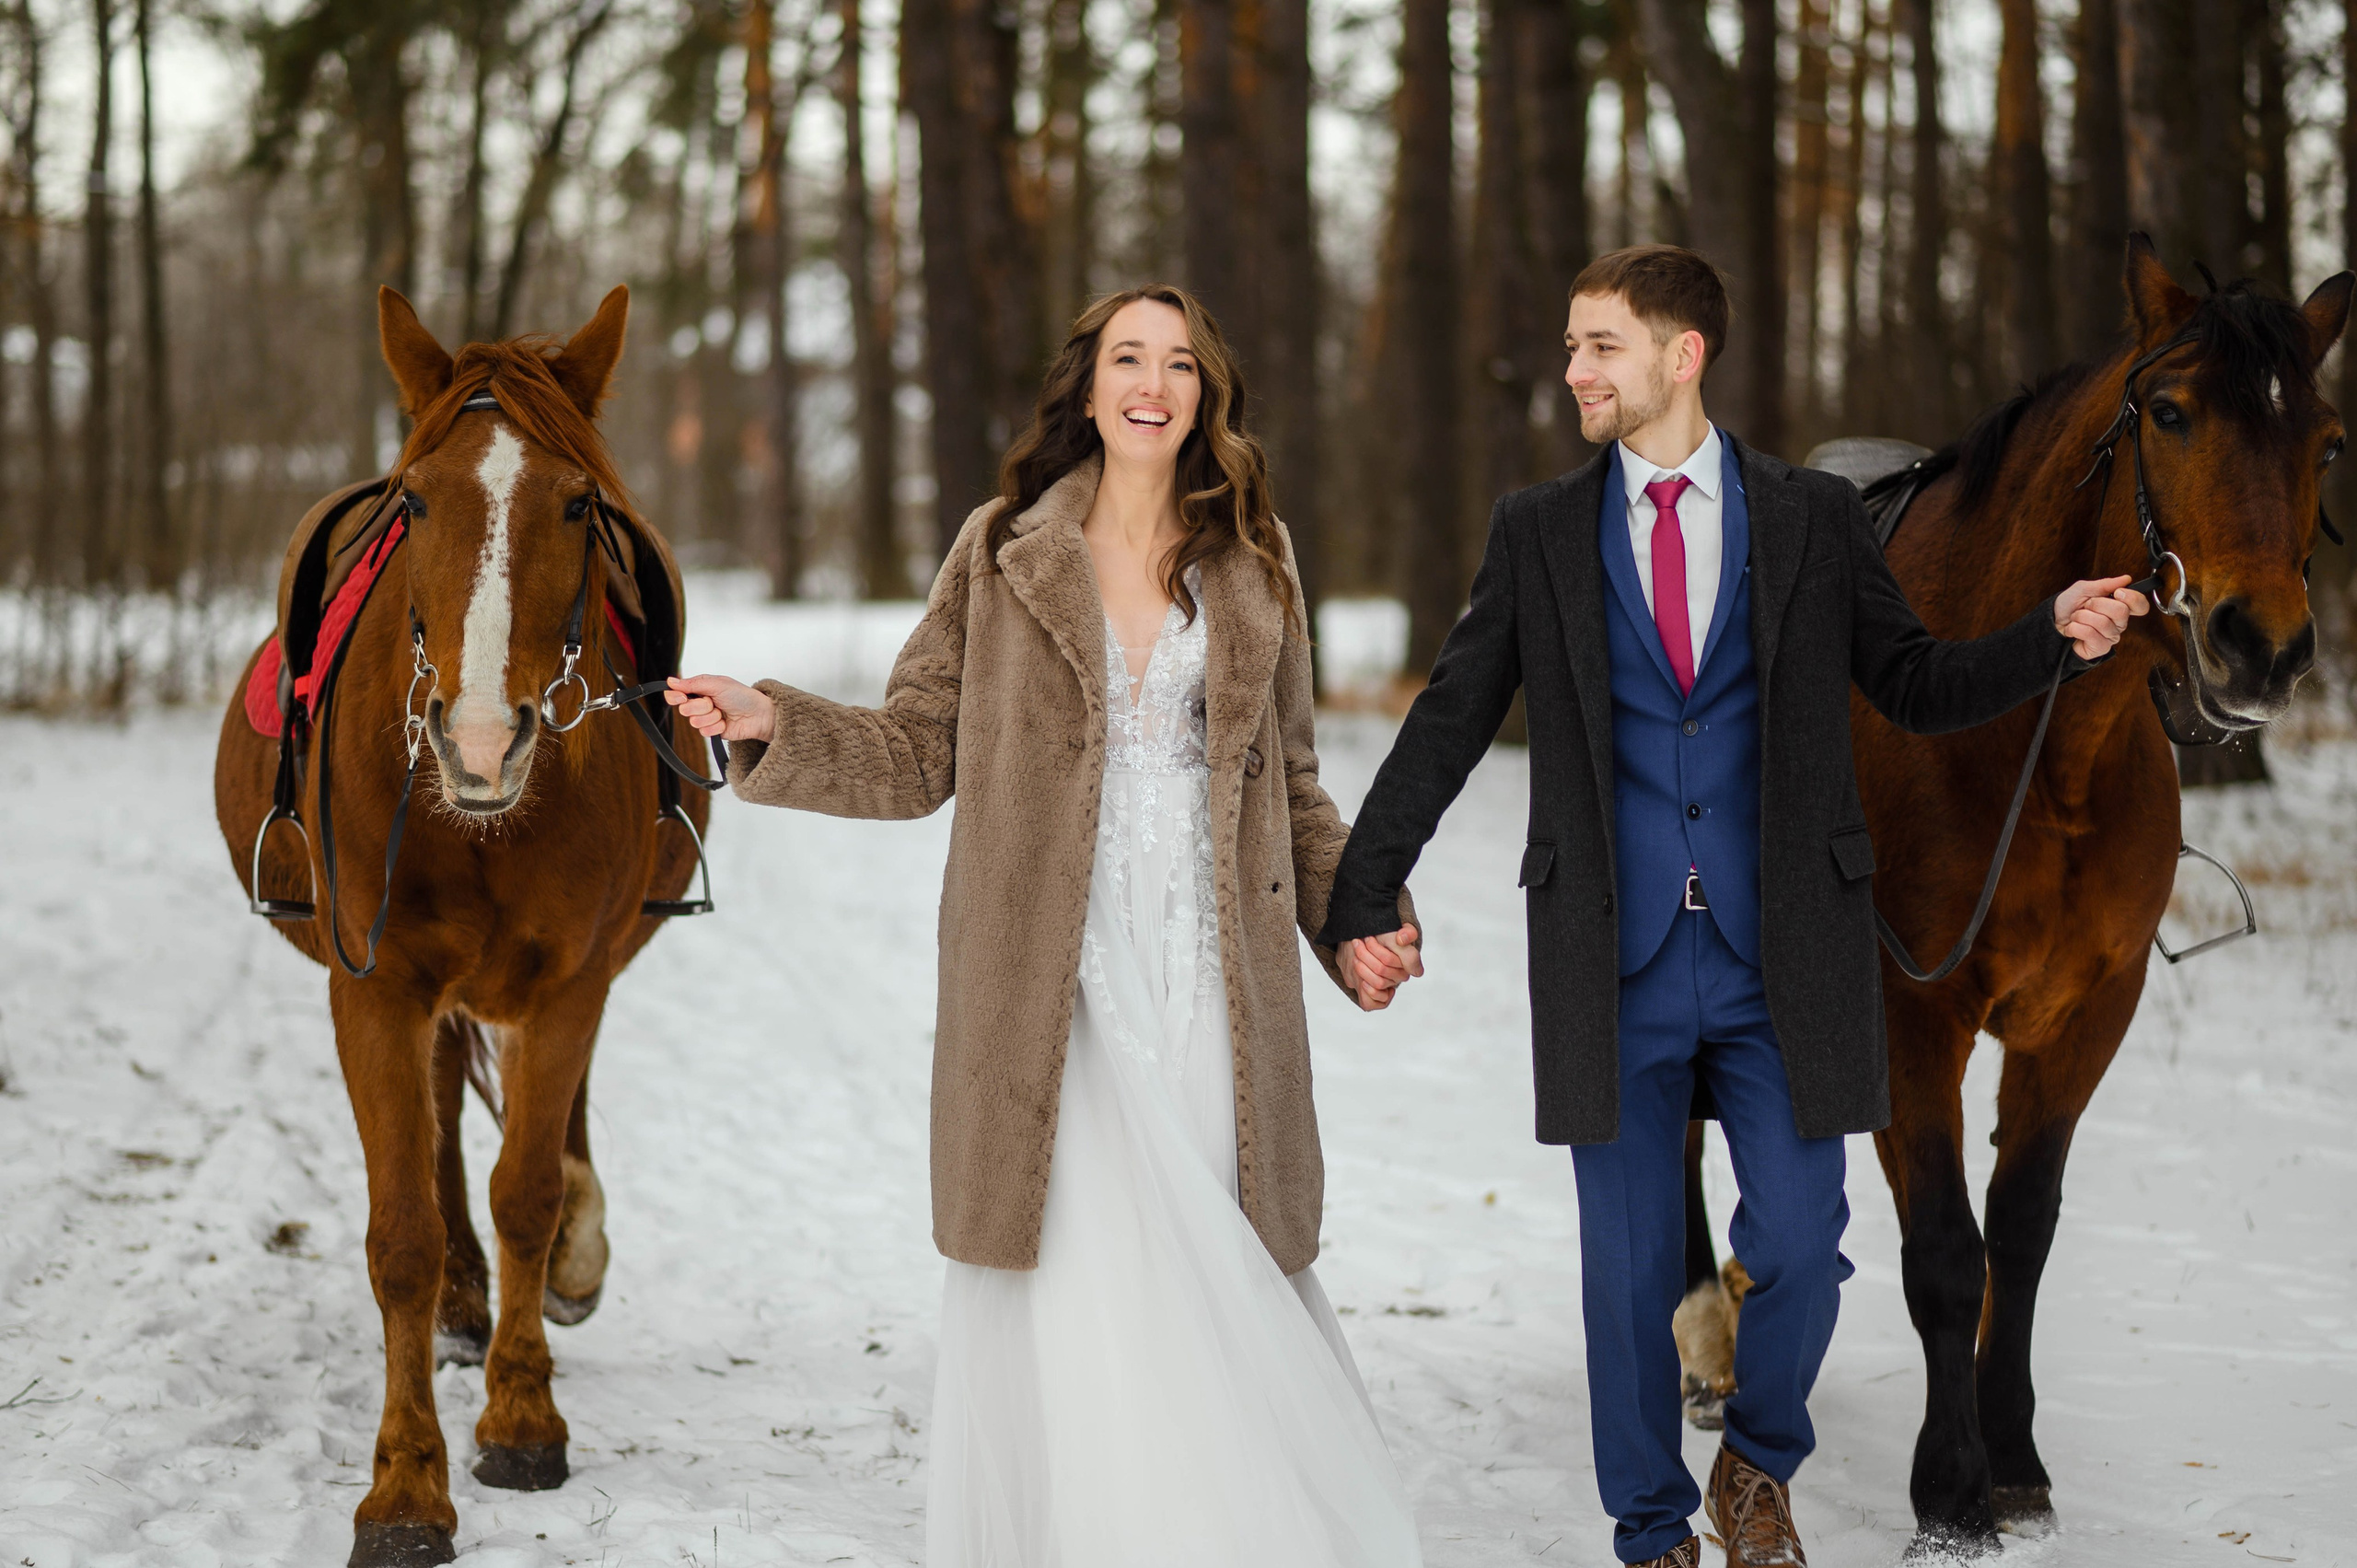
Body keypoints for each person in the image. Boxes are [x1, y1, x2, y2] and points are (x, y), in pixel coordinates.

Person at [1317, 245, 2147, 1568]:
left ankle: (1756, 1463)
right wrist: (1356, 891)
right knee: (1631, 1273)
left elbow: (1918, 683)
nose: (1575, 369)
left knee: (1806, 1243)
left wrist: (2052, 635)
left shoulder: (1810, 518)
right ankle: (1651, 1527)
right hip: (1613, 955)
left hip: (1783, 958)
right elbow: (1452, 716)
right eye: (1575, 346)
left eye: (1600, 345)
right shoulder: (1540, 530)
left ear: (1680, 354)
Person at [664, 284, 1426, 1567]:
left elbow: (1290, 781)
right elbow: (915, 750)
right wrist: (773, 722)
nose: (1154, 382)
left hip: (1208, 961)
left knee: (1208, 1236)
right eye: (1129, 356)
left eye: (1181, 363)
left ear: (1207, 395)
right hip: (1047, 966)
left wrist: (1359, 915)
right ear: (1087, 386)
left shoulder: (1257, 556)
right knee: (1075, 1247)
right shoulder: (1004, 544)